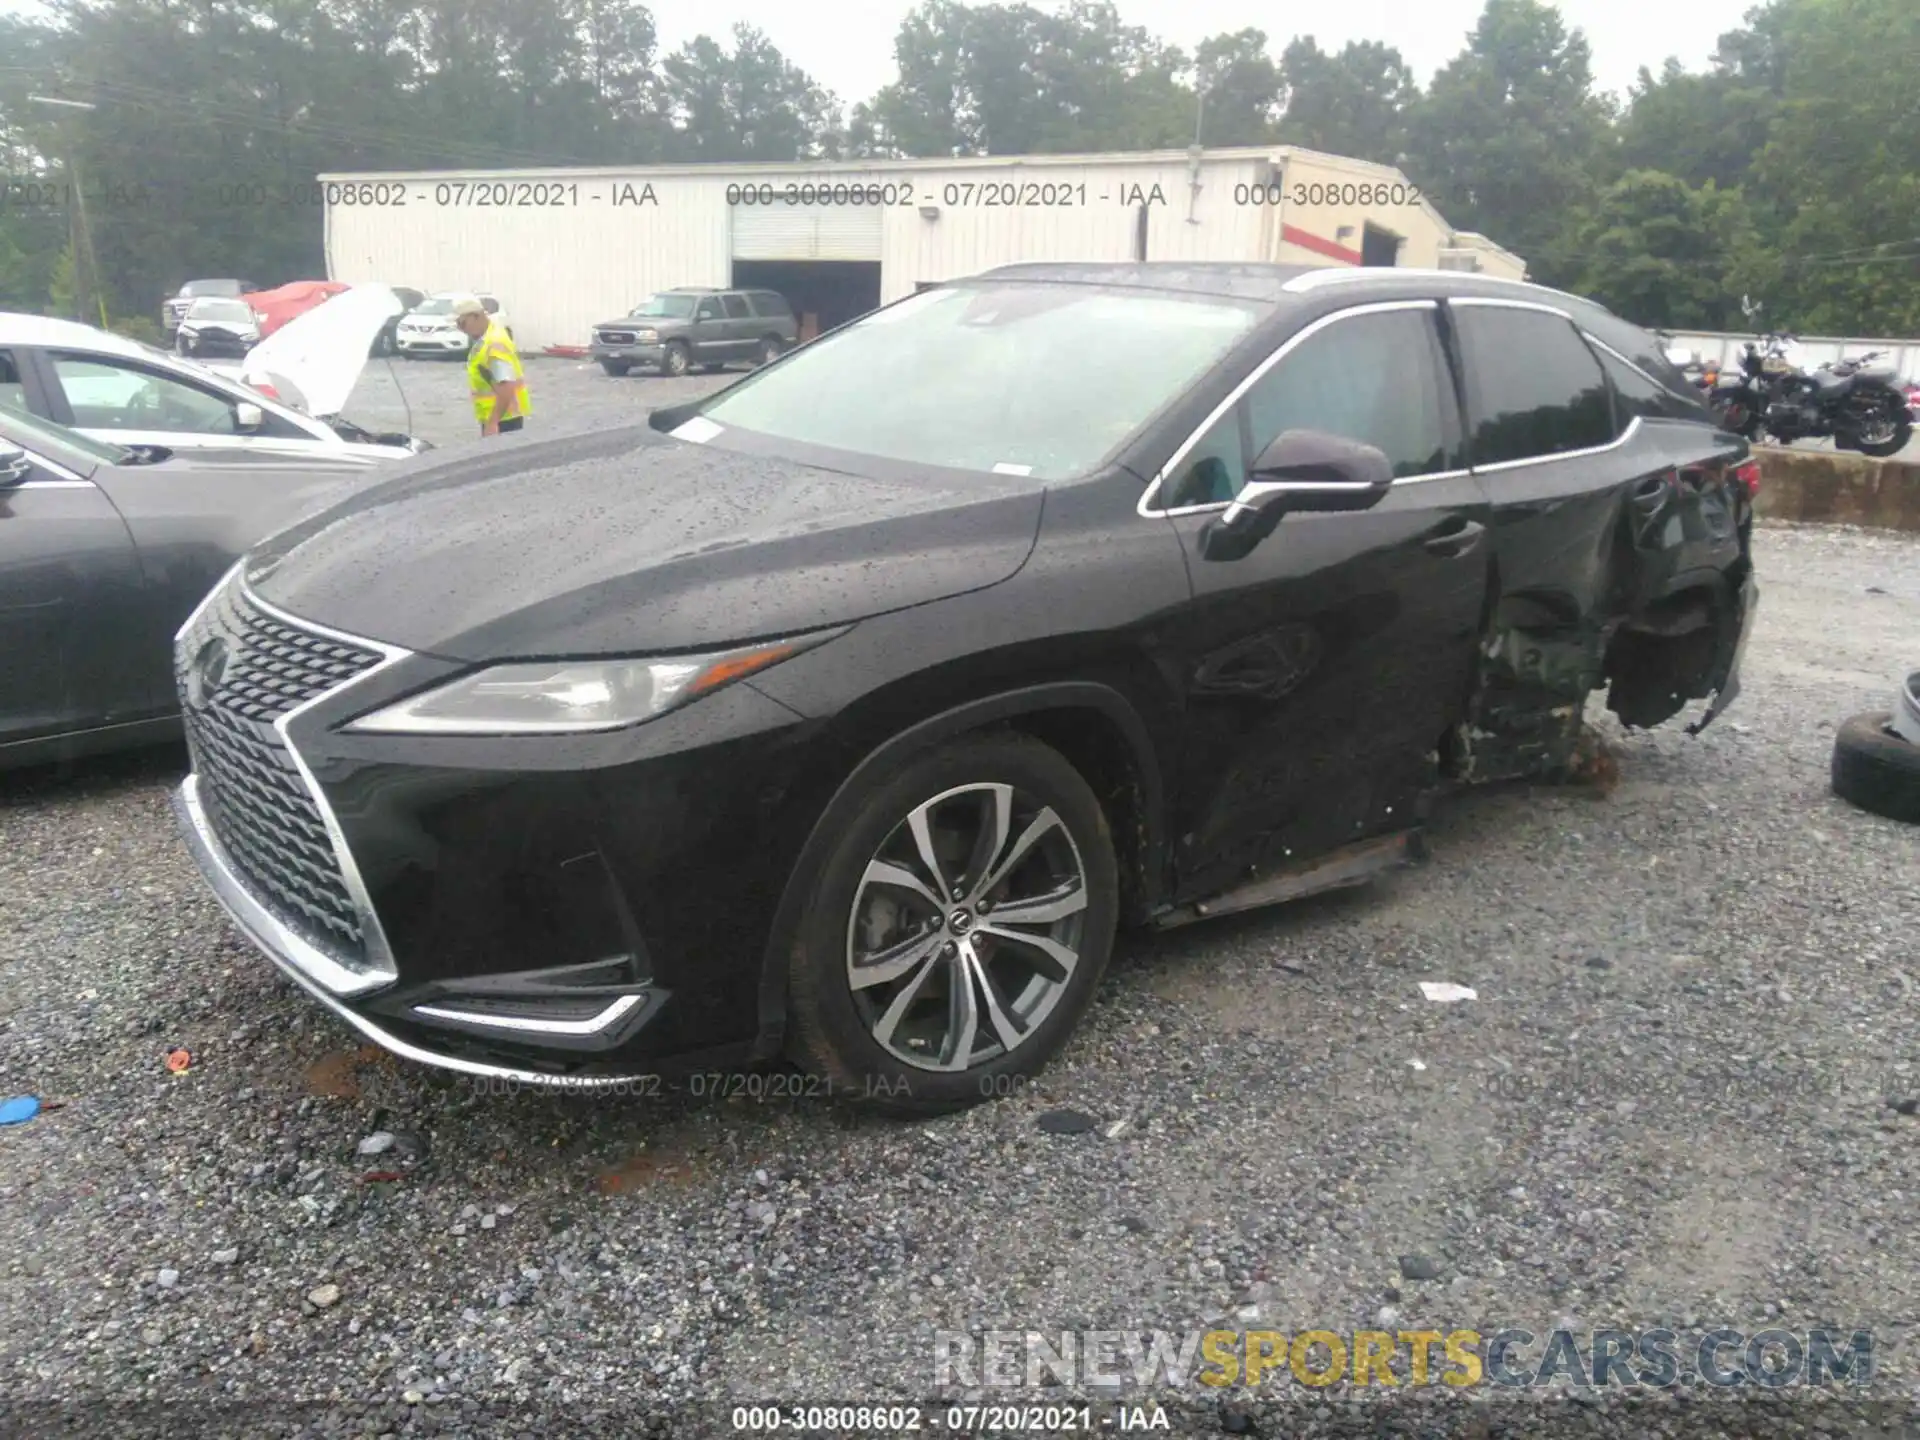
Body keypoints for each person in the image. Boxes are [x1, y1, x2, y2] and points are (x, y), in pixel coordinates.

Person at [453, 296, 529, 437]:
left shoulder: (494, 345)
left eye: (462, 323)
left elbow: (506, 387)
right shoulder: (489, 335)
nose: (460, 329)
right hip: (502, 417)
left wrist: (493, 422)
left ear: (475, 317)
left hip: (503, 421)